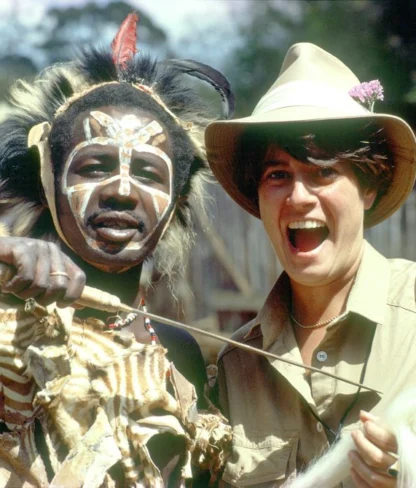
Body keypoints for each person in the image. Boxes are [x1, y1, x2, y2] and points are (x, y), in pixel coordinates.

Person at [0, 14, 234, 487]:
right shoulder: (7, 329)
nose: (122, 192)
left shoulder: (177, 350)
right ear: (48, 182)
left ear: (178, 202)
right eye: (94, 166)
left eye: (148, 174)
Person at [205, 42, 416, 487]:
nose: (299, 196)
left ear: (369, 188)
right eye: (277, 175)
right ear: (259, 199)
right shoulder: (236, 367)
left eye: (324, 172)